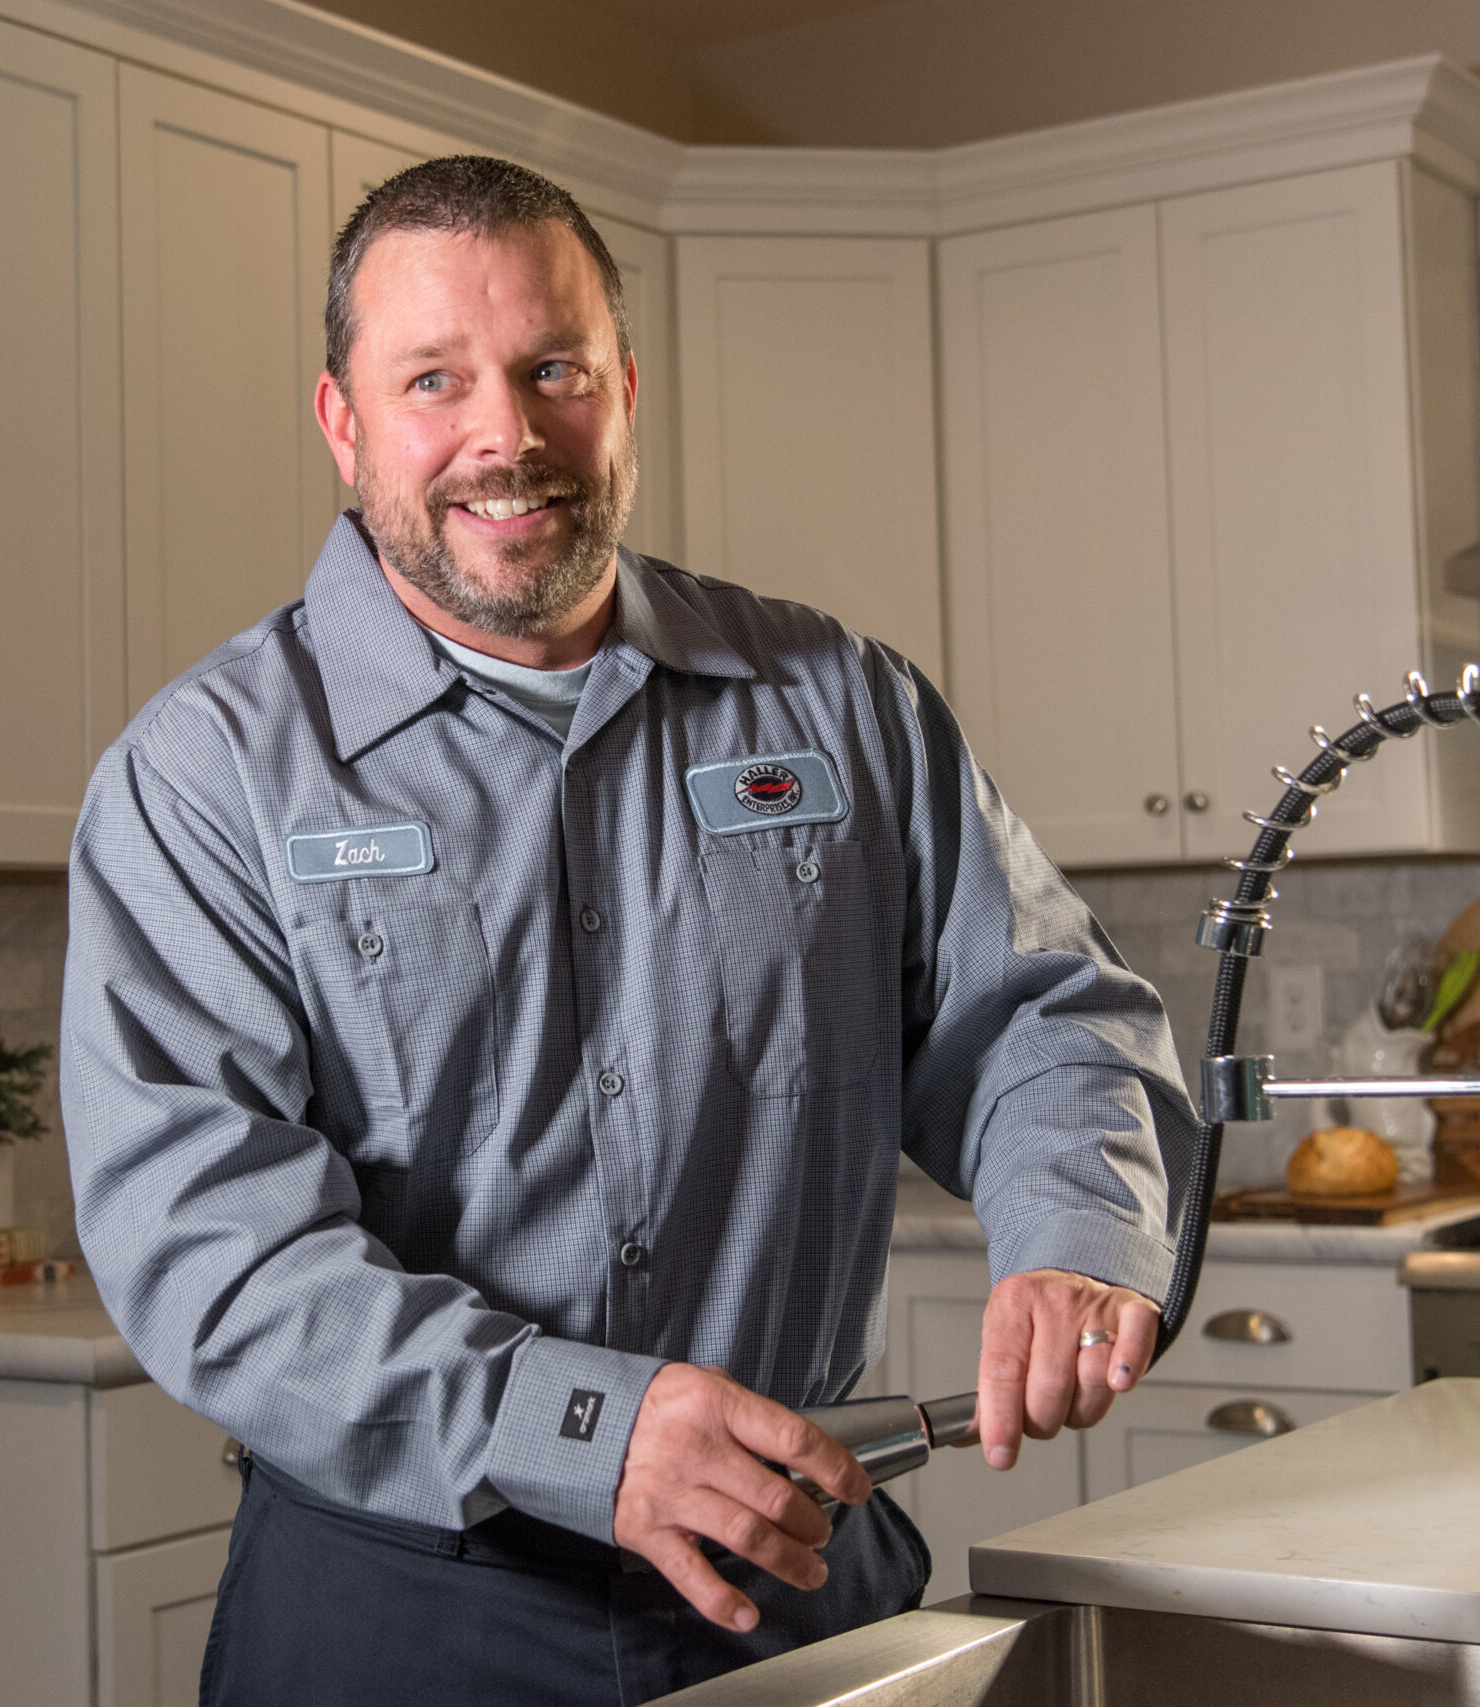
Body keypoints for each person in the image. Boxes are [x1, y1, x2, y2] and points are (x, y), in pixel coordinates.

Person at [60, 155, 1197, 1706]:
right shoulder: (205, 779)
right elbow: (211, 1250)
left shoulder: (838, 701)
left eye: (555, 372)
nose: (506, 436)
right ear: (343, 422)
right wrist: (576, 1425)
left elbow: (1046, 1017)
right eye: (433, 380)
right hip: (402, 1609)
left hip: (798, 1578)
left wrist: (1076, 1231)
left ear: (626, 391)